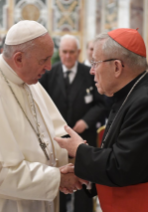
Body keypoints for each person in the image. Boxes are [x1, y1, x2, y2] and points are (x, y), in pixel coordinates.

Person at [0, 20, 86, 212]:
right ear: (19, 59)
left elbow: (52, 137)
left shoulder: (30, 82)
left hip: (34, 199)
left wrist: (72, 163)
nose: (48, 67)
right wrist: (58, 178)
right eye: (43, 60)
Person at [55, 28, 148, 212]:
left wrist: (79, 150)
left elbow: (121, 166)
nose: (91, 71)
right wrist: (84, 174)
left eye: (95, 63)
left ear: (116, 67)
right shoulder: (130, 94)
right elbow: (123, 158)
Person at [40, 34, 106, 212]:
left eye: (71, 52)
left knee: (84, 183)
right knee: (59, 180)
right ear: (59, 52)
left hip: (85, 138)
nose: (67, 56)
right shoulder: (49, 75)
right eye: (64, 52)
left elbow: (102, 103)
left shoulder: (89, 73)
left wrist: (86, 121)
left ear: (78, 52)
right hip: (57, 141)